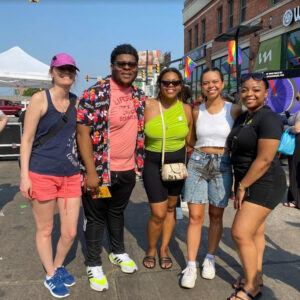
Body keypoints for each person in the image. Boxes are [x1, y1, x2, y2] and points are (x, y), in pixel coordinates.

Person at [76, 44, 146, 292]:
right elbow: (82, 134)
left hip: (127, 171)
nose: (126, 68)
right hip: (101, 172)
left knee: (117, 213)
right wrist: (91, 172)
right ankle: (93, 263)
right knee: (95, 218)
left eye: (131, 65)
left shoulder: (139, 95)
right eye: (121, 64)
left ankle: (117, 251)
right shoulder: (94, 94)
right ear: (112, 67)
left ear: (137, 68)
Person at [20, 53, 81, 298]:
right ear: (52, 72)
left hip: (71, 174)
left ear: (75, 74)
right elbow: (26, 139)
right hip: (42, 173)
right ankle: (50, 275)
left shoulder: (76, 101)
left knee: (69, 232)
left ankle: (57, 265)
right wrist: (25, 177)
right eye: (61, 69)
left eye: (70, 70)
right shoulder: (39, 99)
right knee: (46, 229)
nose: (66, 73)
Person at [180, 67, 241, 289]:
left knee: (216, 216)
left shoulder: (233, 109)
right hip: (197, 162)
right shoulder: (197, 111)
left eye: (215, 81)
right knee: (195, 217)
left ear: (222, 84)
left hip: (223, 164)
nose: (211, 86)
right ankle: (190, 264)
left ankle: (210, 258)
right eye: (206, 83)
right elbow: (191, 139)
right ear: (202, 86)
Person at [227, 73, 286, 300]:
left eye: (256, 89)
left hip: (265, 182)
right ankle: (256, 276)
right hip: (247, 179)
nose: (249, 93)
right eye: (244, 89)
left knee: (240, 233)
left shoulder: (269, 119)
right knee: (255, 231)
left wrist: (242, 186)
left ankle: (251, 287)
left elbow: (264, 160)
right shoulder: (243, 117)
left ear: (266, 93)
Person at [142, 67, 193, 269]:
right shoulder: (148, 106)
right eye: (166, 82)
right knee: (158, 213)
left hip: (177, 166)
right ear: (159, 85)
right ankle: (151, 249)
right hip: (153, 164)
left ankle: (164, 249)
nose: (170, 86)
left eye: (175, 83)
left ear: (181, 86)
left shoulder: (187, 109)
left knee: (171, 208)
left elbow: (190, 141)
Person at [283, 106, 300, 208]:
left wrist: (286, 128)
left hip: (298, 145)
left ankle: (295, 200)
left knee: (295, 172)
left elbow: (297, 129)